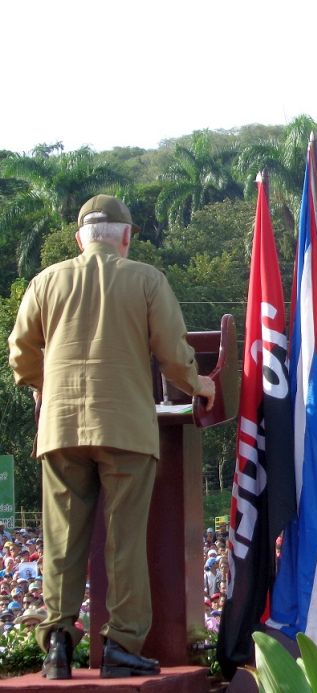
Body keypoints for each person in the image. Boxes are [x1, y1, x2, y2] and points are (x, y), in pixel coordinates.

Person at [8, 195, 215, 679]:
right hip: (126, 429)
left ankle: (57, 644)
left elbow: (20, 352)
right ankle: (121, 646)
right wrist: (199, 384)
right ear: (125, 237)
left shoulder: (45, 281)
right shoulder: (146, 279)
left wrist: (43, 387)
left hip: (60, 429)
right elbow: (172, 352)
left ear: (80, 238)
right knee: (124, 543)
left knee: (61, 541)